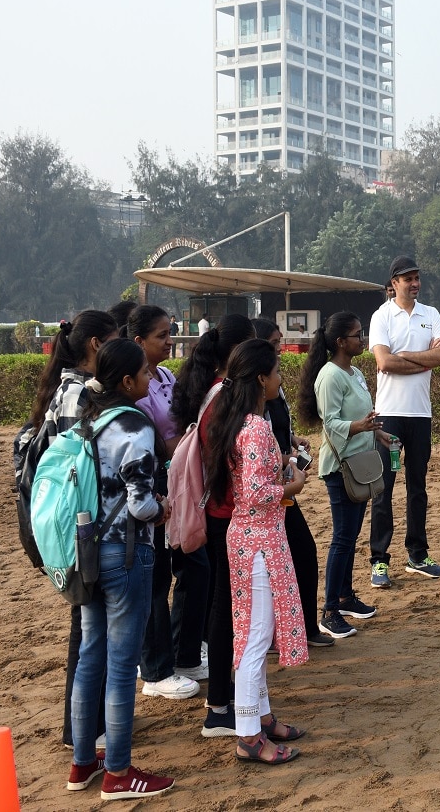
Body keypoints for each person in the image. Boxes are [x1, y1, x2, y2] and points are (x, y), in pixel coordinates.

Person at [67, 339, 175, 799]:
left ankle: (82, 763)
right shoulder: (135, 425)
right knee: (121, 662)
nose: (152, 380)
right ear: (127, 382)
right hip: (127, 555)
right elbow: (140, 502)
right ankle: (118, 771)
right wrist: (163, 507)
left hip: (87, 551)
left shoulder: (88, 420)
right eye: (146, 375)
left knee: (90, 655)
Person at [203, 338, 309, 765]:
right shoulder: (257, 426)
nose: (281, 379)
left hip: (246, 537)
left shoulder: (236, 422)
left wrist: (281, 467)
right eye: (278, 372)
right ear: (262, 378)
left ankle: (261, 718)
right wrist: (292, 485)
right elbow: (256, 492)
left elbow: (247, 483)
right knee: (255, 639)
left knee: (253, 634)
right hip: (260, 541)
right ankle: (248, 733)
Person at [24, 311, 119, 752]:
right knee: (86, 630)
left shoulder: (64, 387)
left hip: (68, 520)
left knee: (85, 624)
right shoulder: (83, 393)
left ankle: (81, 727)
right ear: (97, 345)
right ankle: (80, 729)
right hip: (81, 521)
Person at [172, 314, 259, 736]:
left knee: (225, 611)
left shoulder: (214, 394)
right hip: (227, 518)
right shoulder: (226, 400)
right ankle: (220, 707)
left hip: (219, 515)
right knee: (228, 614)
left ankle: (222, 701)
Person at [128, 305, 201, 703]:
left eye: (170, 332)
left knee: (188, 563)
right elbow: (156, 437)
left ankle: (178, 653)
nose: (170, 340)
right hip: (154, 479)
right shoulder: (134, 387)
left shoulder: (168, 376)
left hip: (180, 480)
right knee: (155, 577)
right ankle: (155, 670)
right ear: (138, 342)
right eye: (161, 335)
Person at [299, 312, 385, 639]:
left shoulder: (355, 372)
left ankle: (346, 597)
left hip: (361, 462)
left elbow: (363, 416)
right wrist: (359, 426)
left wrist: (378, 433)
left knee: (350, 538)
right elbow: (330, 423)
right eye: (356, 334)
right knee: (341, 539)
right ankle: (329, 611)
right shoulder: (330, 376)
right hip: (341, 468)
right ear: (339, 342)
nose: (361, 339)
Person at [367, 257, 440, 586]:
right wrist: (423, 359)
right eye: (408, 279)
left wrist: (405, 355)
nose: (414, 283)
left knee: (418, 487)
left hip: (420, 414)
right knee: (384, 488)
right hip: (389, 415)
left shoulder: (430, 315)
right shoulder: (381, 316)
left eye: (417, 277)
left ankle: (417, 553)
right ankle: (379, 560)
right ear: (394, 283)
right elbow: (384, 363)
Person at [252, 318, 332, 648]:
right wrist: (284, 460)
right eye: (273, 343)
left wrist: (292, 441)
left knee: (297, 554)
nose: (280, 350)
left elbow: (277, 426)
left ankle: (300, 627)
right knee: (291, 556)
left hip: (282, 486)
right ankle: (283, 634)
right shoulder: (252, 396)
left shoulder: (273, 383)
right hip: (271, 493)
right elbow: (256, 444)